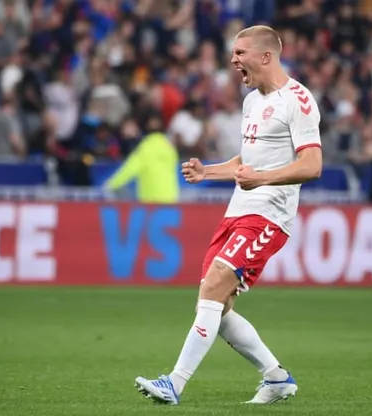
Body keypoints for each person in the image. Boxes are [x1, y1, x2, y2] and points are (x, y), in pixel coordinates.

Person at [134, 25, 323, 405]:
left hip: (269, 216)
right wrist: (208, 172)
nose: (233, 60)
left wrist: (261, 179)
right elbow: (247, 161)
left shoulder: (298, 100)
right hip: (236, 211)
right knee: (216, 306)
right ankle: (276, 376)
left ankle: (174, 383)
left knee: (213, 288)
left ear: (265, 56)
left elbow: (312, 165)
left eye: (240, 53)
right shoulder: (251, 101)